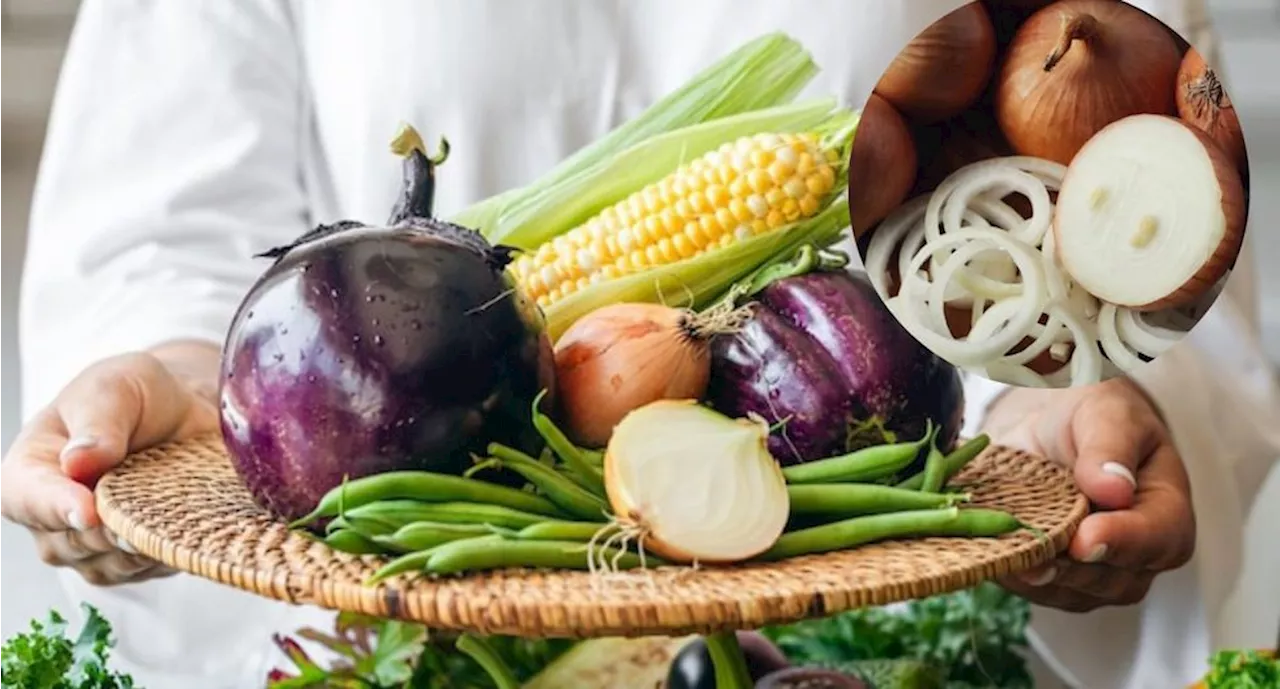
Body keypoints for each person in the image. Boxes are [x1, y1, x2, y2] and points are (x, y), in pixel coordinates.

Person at [0, 1, 1274, 687]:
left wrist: (1043, 424)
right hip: (402, 512)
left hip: (866, 551)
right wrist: (173, 374)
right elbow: (158, 216)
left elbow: (1115, 199)